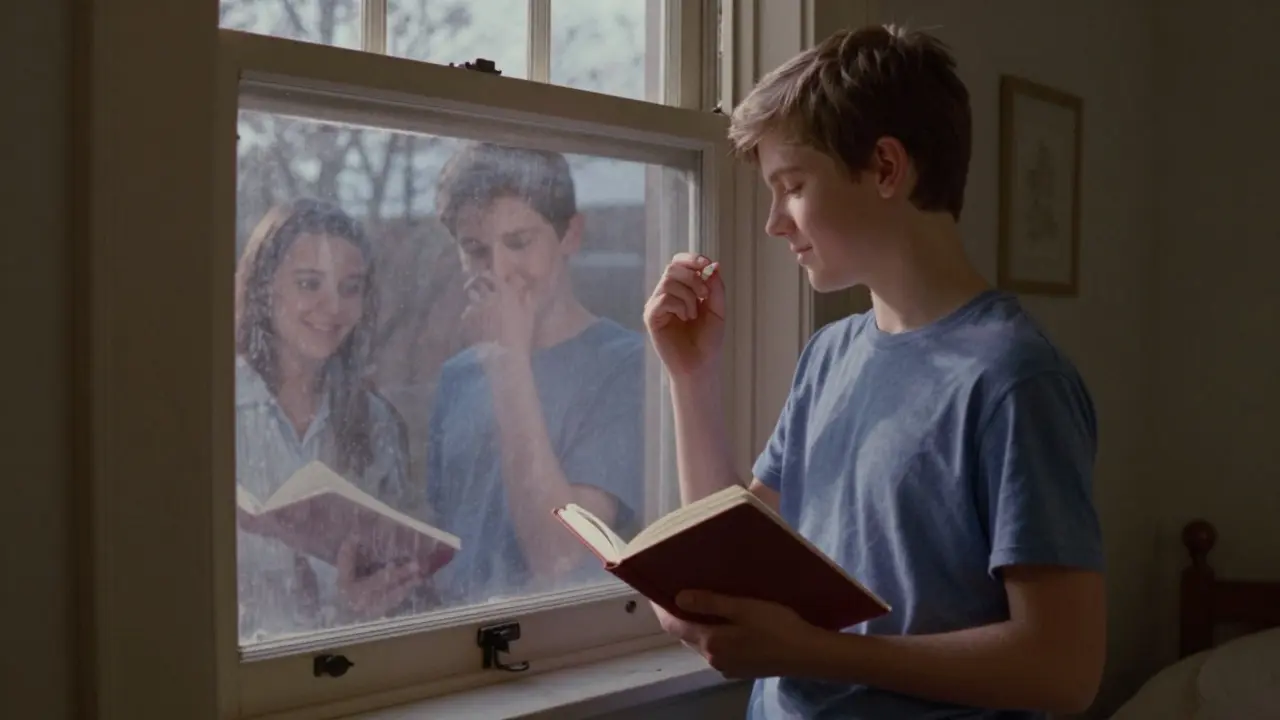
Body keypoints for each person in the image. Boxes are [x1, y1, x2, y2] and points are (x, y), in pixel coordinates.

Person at [642, 25, 1106, 719]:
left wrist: (812, 652)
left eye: (792, 186)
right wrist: (692, 374)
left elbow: (1063, 671)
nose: (774, 222)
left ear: (887, 167)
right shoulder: (829, 354)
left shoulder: (1015, 380)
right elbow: (734, 552)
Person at [424, 142, 647, 606]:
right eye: (475, 250)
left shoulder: (628, 367)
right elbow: (451, 550)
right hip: (458, 637)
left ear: (570, 235)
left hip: (563, 639)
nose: (500, 270)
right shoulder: (457, 378)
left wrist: (509, 361)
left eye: (519, 242)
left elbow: (561, 557)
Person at [234, 198, 426, 641]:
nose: (333, 307)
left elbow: (397, 578)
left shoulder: (375, 422)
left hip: (348, 660)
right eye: (309, 283)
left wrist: (372, 599)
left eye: (350, 288)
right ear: (265, 287)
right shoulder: (213, 412)